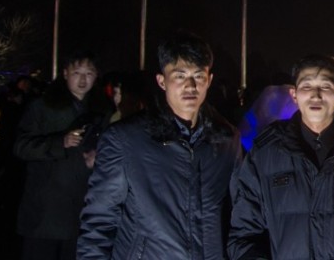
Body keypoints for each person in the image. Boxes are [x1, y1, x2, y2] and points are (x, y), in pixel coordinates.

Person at [78, 32, 242, 259]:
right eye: (180, 75)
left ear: (209, 80)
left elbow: (240, 216)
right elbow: (99, 222)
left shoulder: (227, 139)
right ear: (162, 81)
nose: (191, 85)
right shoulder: (125, 139)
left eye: (199, 76)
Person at [228, 53, 334, 260]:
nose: (316, 95)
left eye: (326, 87)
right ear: (294, 94)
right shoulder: (266, 154)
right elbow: (244, 231)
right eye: (307, 87)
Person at [15, 51, 111, 260]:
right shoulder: (42, 106)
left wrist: (98, 157)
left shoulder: (102, 110)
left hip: (81, 207)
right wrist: (59, 142)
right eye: (77, 73)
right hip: (45, 208)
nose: (83, 79)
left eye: (89, 73)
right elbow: (21, 147)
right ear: (65, 73)